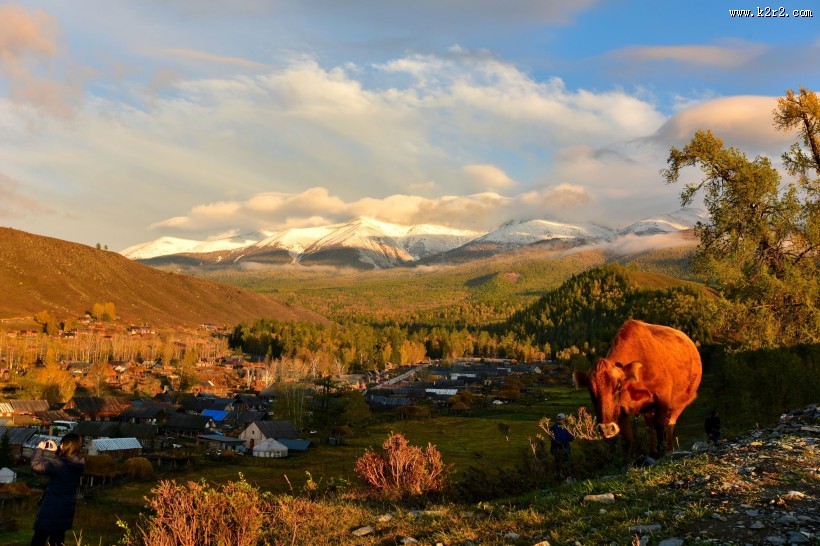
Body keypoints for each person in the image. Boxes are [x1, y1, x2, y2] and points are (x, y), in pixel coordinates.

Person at [30, 433, 85, 546]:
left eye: (62, 443)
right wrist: (58, 451)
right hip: (66, 508)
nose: (60, 445)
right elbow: (66, 461)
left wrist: (39, 449)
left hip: (51, 508)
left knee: (39, 539)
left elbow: (35, 466)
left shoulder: (58, 463)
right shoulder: (80, 462)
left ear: (66, 445)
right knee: (57, 540)